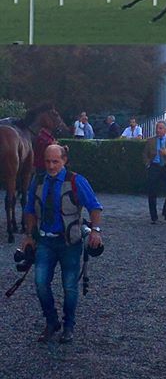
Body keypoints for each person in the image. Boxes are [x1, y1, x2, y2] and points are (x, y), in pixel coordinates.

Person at [22, 145, 103, 343]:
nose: (51, 166)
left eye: (55, 161)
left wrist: (95, 231)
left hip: (70, 242)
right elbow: (30, 209)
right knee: (40, 284)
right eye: (47, 161)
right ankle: (52, 322)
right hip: (45, 241)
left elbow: (94, 207)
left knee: (70, 287)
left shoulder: (76, 181)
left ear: (64, 160)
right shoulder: (38, 181)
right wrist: (29, 236)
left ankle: (69, 325)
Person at [143, 121, 166, 223]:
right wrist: (148, 164)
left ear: (165, 130)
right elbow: (145, 154)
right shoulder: (151, 141)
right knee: (152, 192)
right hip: (155, 167)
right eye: (157, 128)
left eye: (160, 128)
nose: (157, 130)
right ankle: (154, 217)